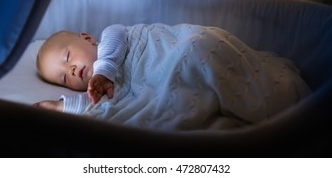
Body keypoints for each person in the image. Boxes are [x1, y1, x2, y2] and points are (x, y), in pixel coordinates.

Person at [34, 23, 311, 130]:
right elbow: (93, 105)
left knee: (197, 51)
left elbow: (116, 38)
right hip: (154, 85)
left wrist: (104, 70)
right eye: (63, 78)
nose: (71, 71)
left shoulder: (111, 38)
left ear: (87, 38)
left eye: (67, 58)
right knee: (171, 110)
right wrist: (61, 106)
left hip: (173, 52)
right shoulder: (99, 90)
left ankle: (278, 104)